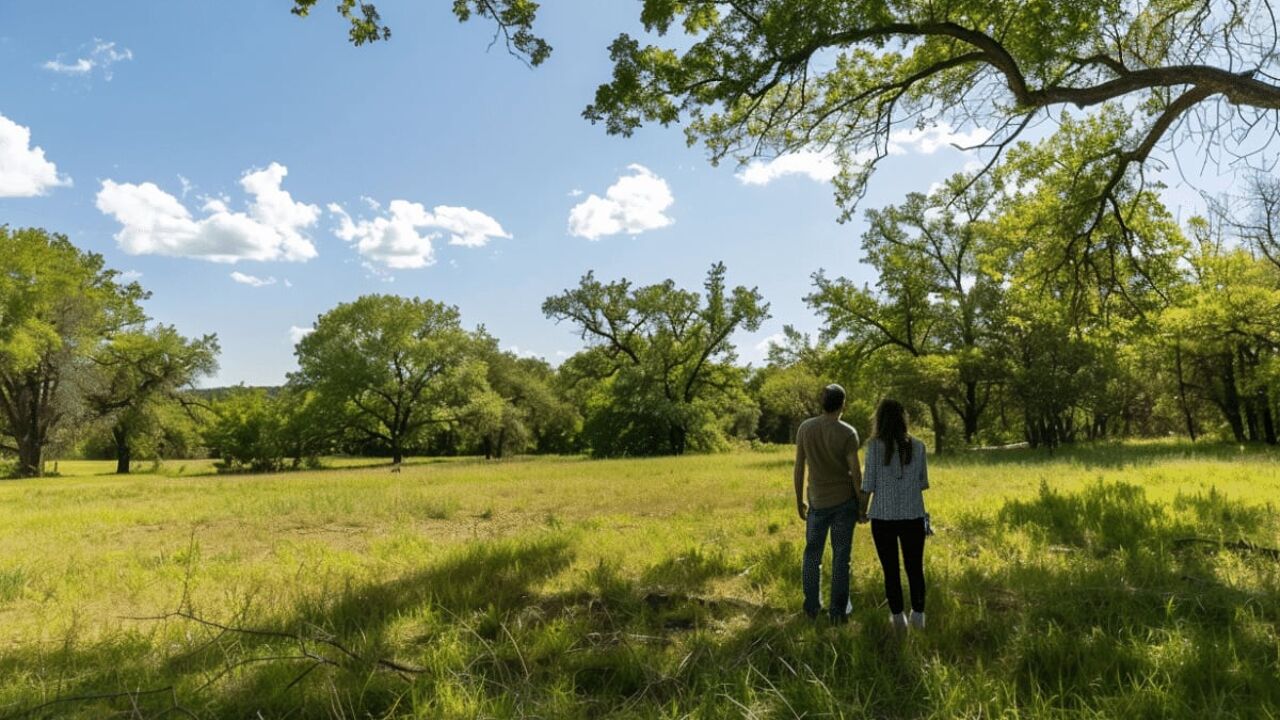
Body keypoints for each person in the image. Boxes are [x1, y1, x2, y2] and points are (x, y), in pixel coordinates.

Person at [793, 384, 868, 622]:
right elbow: (856, 474)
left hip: (816, 502)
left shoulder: (806, 428)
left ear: (821, 403)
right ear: (843, 404)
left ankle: (811, 608)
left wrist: (798, 499)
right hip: (844, 504)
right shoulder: (847, 432)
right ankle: (837, 614)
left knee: (812, 556)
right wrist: (862, 506)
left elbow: (799, 467)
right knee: (840, 558)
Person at [861, 398, 929, 632]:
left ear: (879, 420)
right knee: (915, 567)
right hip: (913, 516)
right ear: (903, 419)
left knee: (890, 570)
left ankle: (898, 618)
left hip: (883, 518)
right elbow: (922, 482)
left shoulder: (874, 447)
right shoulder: (919, 446)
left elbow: (867, 484)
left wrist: (862, 511)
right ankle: (919, 616)